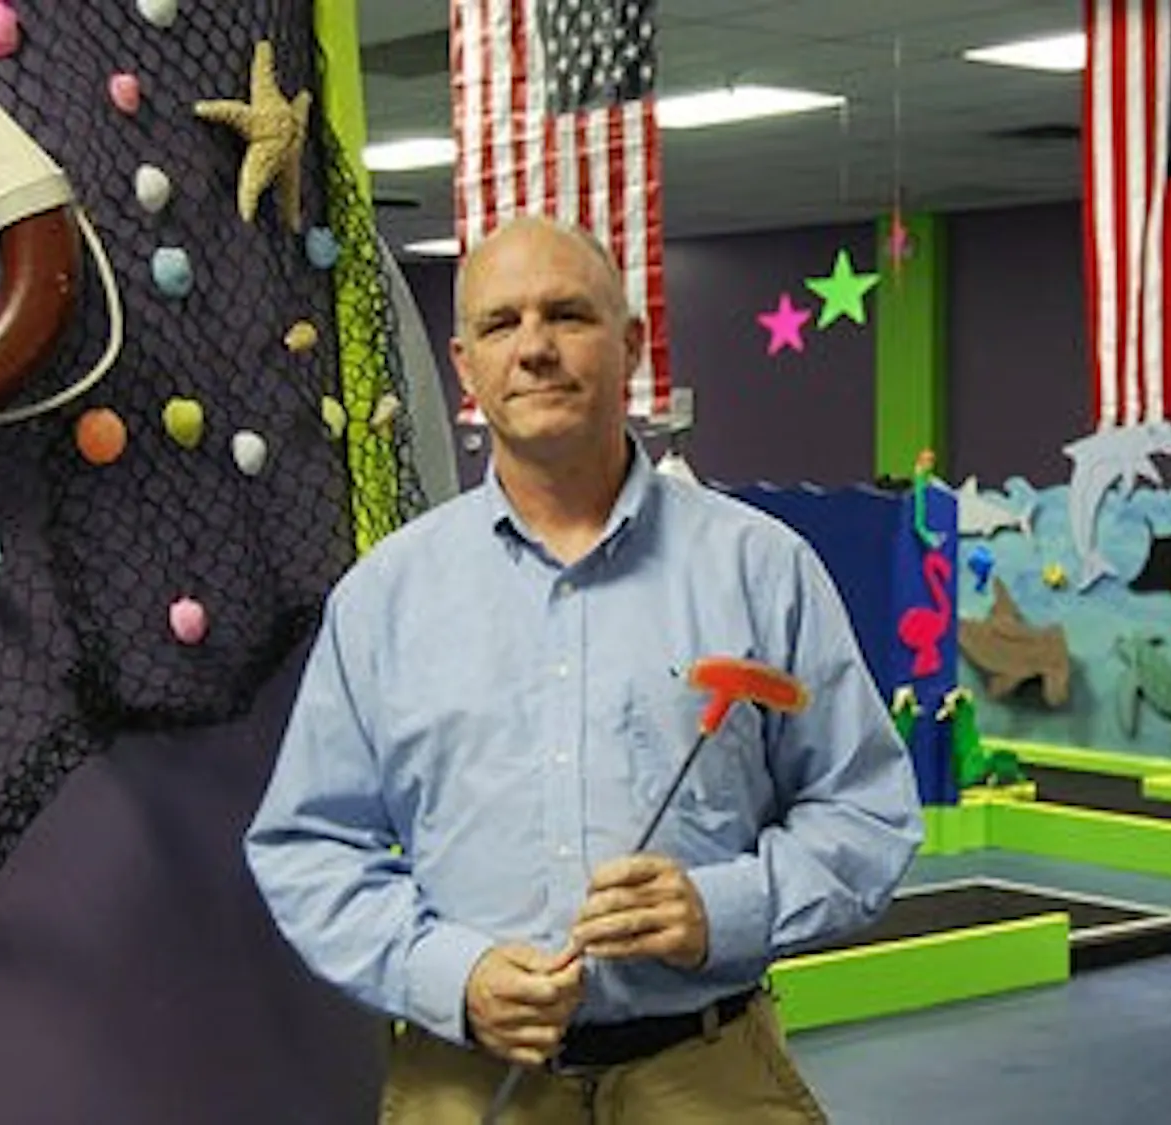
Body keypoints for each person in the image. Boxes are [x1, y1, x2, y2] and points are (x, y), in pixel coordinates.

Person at [244, 214, 923, 1124]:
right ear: (465, 365)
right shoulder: (387, 596)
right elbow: (308, 846)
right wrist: (453, 972)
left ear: (631, 344)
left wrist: (723, 908)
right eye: (500, 324)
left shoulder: (760, 568)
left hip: (708, 1073)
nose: (534, 348)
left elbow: (868, 811)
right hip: (467, 1079)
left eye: (567, 314)